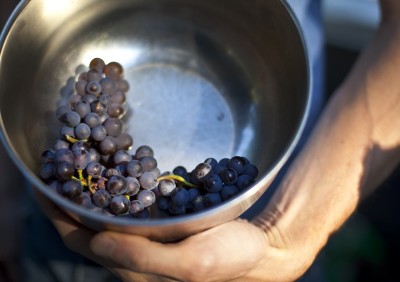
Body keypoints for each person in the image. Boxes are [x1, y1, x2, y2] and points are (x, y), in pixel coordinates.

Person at [26, 0, 400, 281]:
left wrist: (285, 237)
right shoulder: (88, 171)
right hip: (63, 233)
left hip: (259, 234)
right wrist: (7, 196)